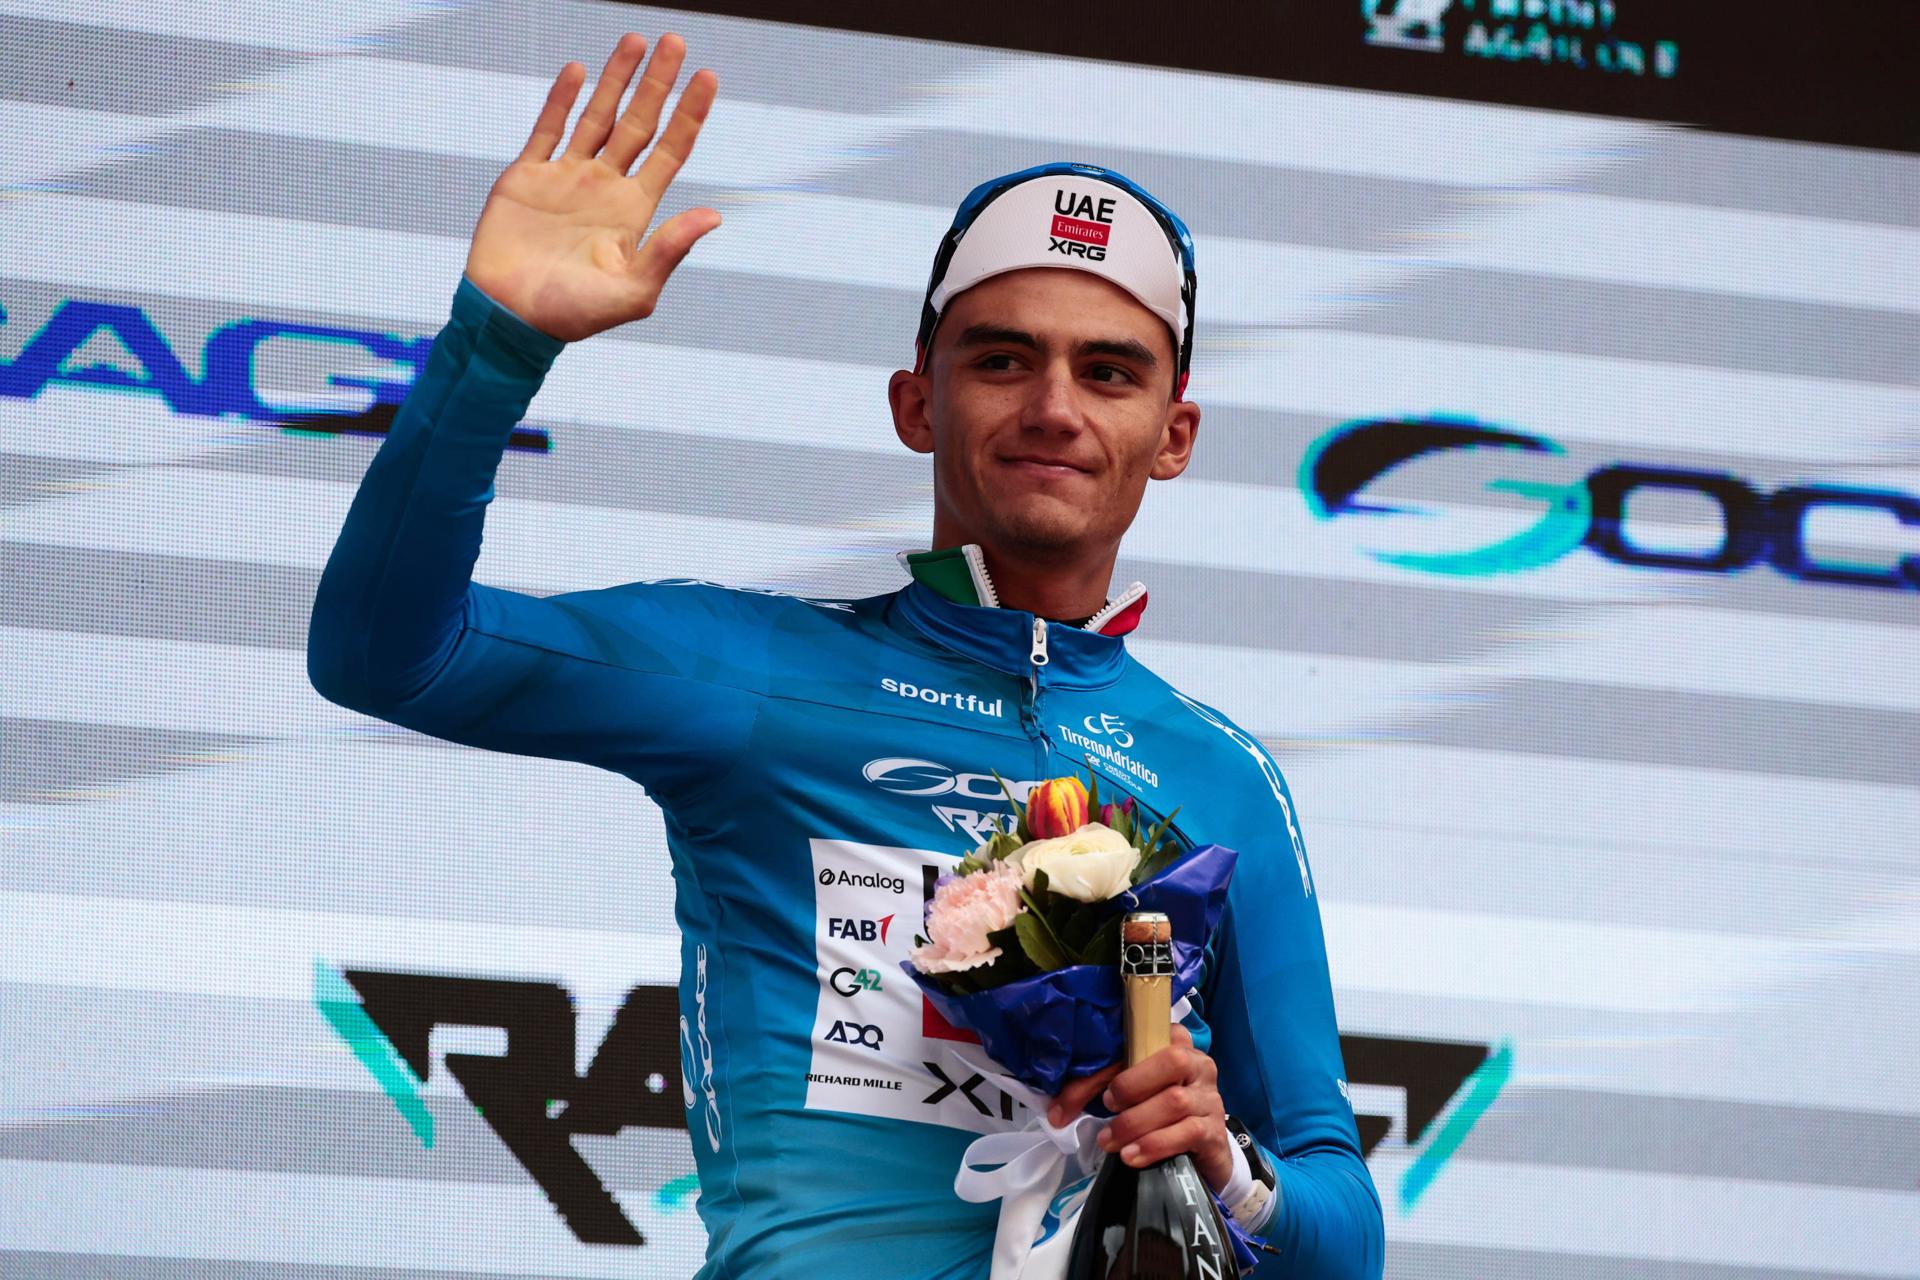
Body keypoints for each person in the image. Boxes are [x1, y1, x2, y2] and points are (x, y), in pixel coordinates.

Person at [307, 31, 1385, 1280]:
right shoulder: (755, 674)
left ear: (1173, 430)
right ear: (916, 401)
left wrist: (1234, 1176)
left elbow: (1340, 1228)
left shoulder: (1221, 773)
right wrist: (498, 347)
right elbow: (388, 654)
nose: (1053, 406)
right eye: (1001, 357)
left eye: (1109, 370)